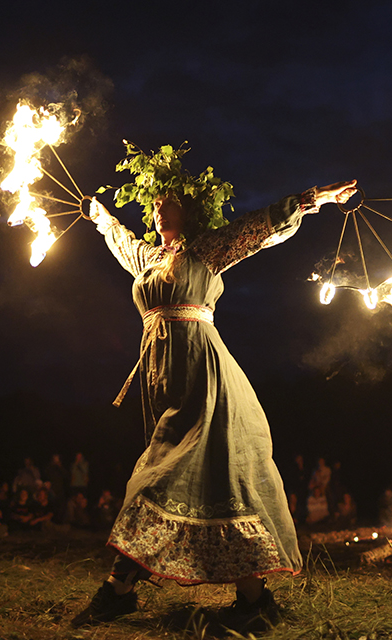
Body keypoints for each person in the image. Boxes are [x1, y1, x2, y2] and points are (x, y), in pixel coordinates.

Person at [70, 148, 357, 629]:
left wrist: (314, 199)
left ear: (191, 210)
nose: (159, 209)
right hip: (167, 381)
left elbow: (258, 227)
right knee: (200, 481)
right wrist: (96, 212)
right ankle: (254, 601)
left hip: (206, 379)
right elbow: (117, 237)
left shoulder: (205, 252)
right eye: (156, 203)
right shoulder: (147, 258)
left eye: (169, 203)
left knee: (165, 479)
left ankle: (119, 590)